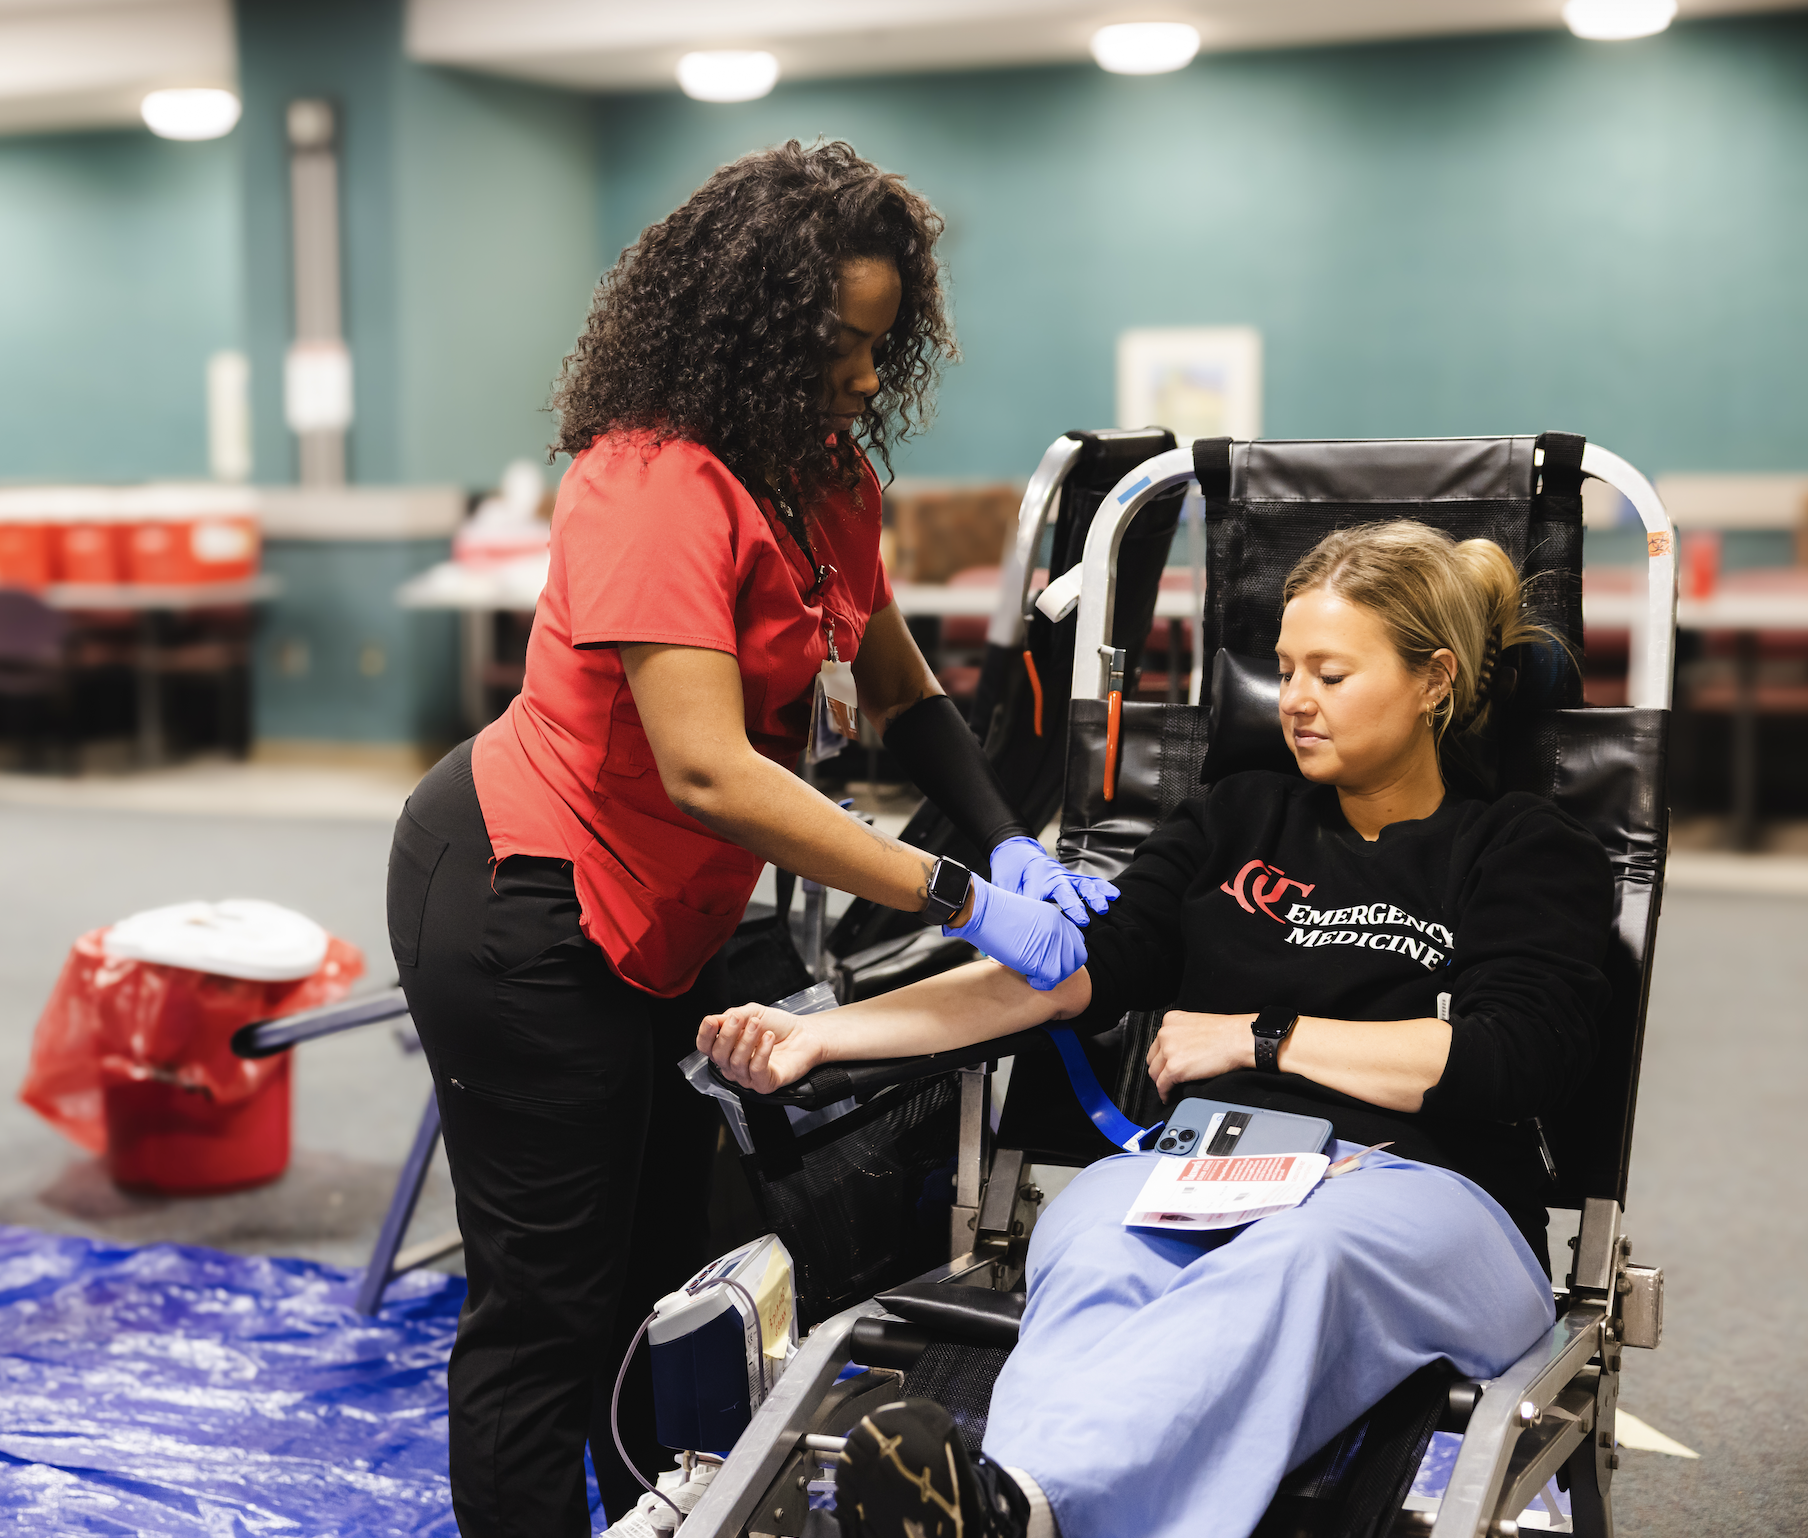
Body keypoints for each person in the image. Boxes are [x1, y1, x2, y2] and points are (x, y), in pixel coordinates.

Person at [387, 141, 1111, 1537]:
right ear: (756, 328)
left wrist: (1010, 836)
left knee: (664, 1266)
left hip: (665, 910)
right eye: (839, 344)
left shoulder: (822, 473)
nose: (861, 375)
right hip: (519, 890)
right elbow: (710, 767)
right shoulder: (648, 479)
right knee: (547, 1302)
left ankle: (656, 1515)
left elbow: (895, 683)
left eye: (881, 345)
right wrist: (960, 894)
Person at [701, 521, 1614, 1538]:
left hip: (1425, 1196)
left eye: (1330, 672)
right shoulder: (1234, 817)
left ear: (1432, 679)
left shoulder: (1523, 849)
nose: (1294, 699)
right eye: (1282, 669)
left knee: (1301, 1256)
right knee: (1092, 1233)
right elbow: (1051, 979)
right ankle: (1014, 1507)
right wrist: (824, 1036)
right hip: (1215, 1170)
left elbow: (1513, 1058)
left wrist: (1258, 1037)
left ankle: (1021, 1502)